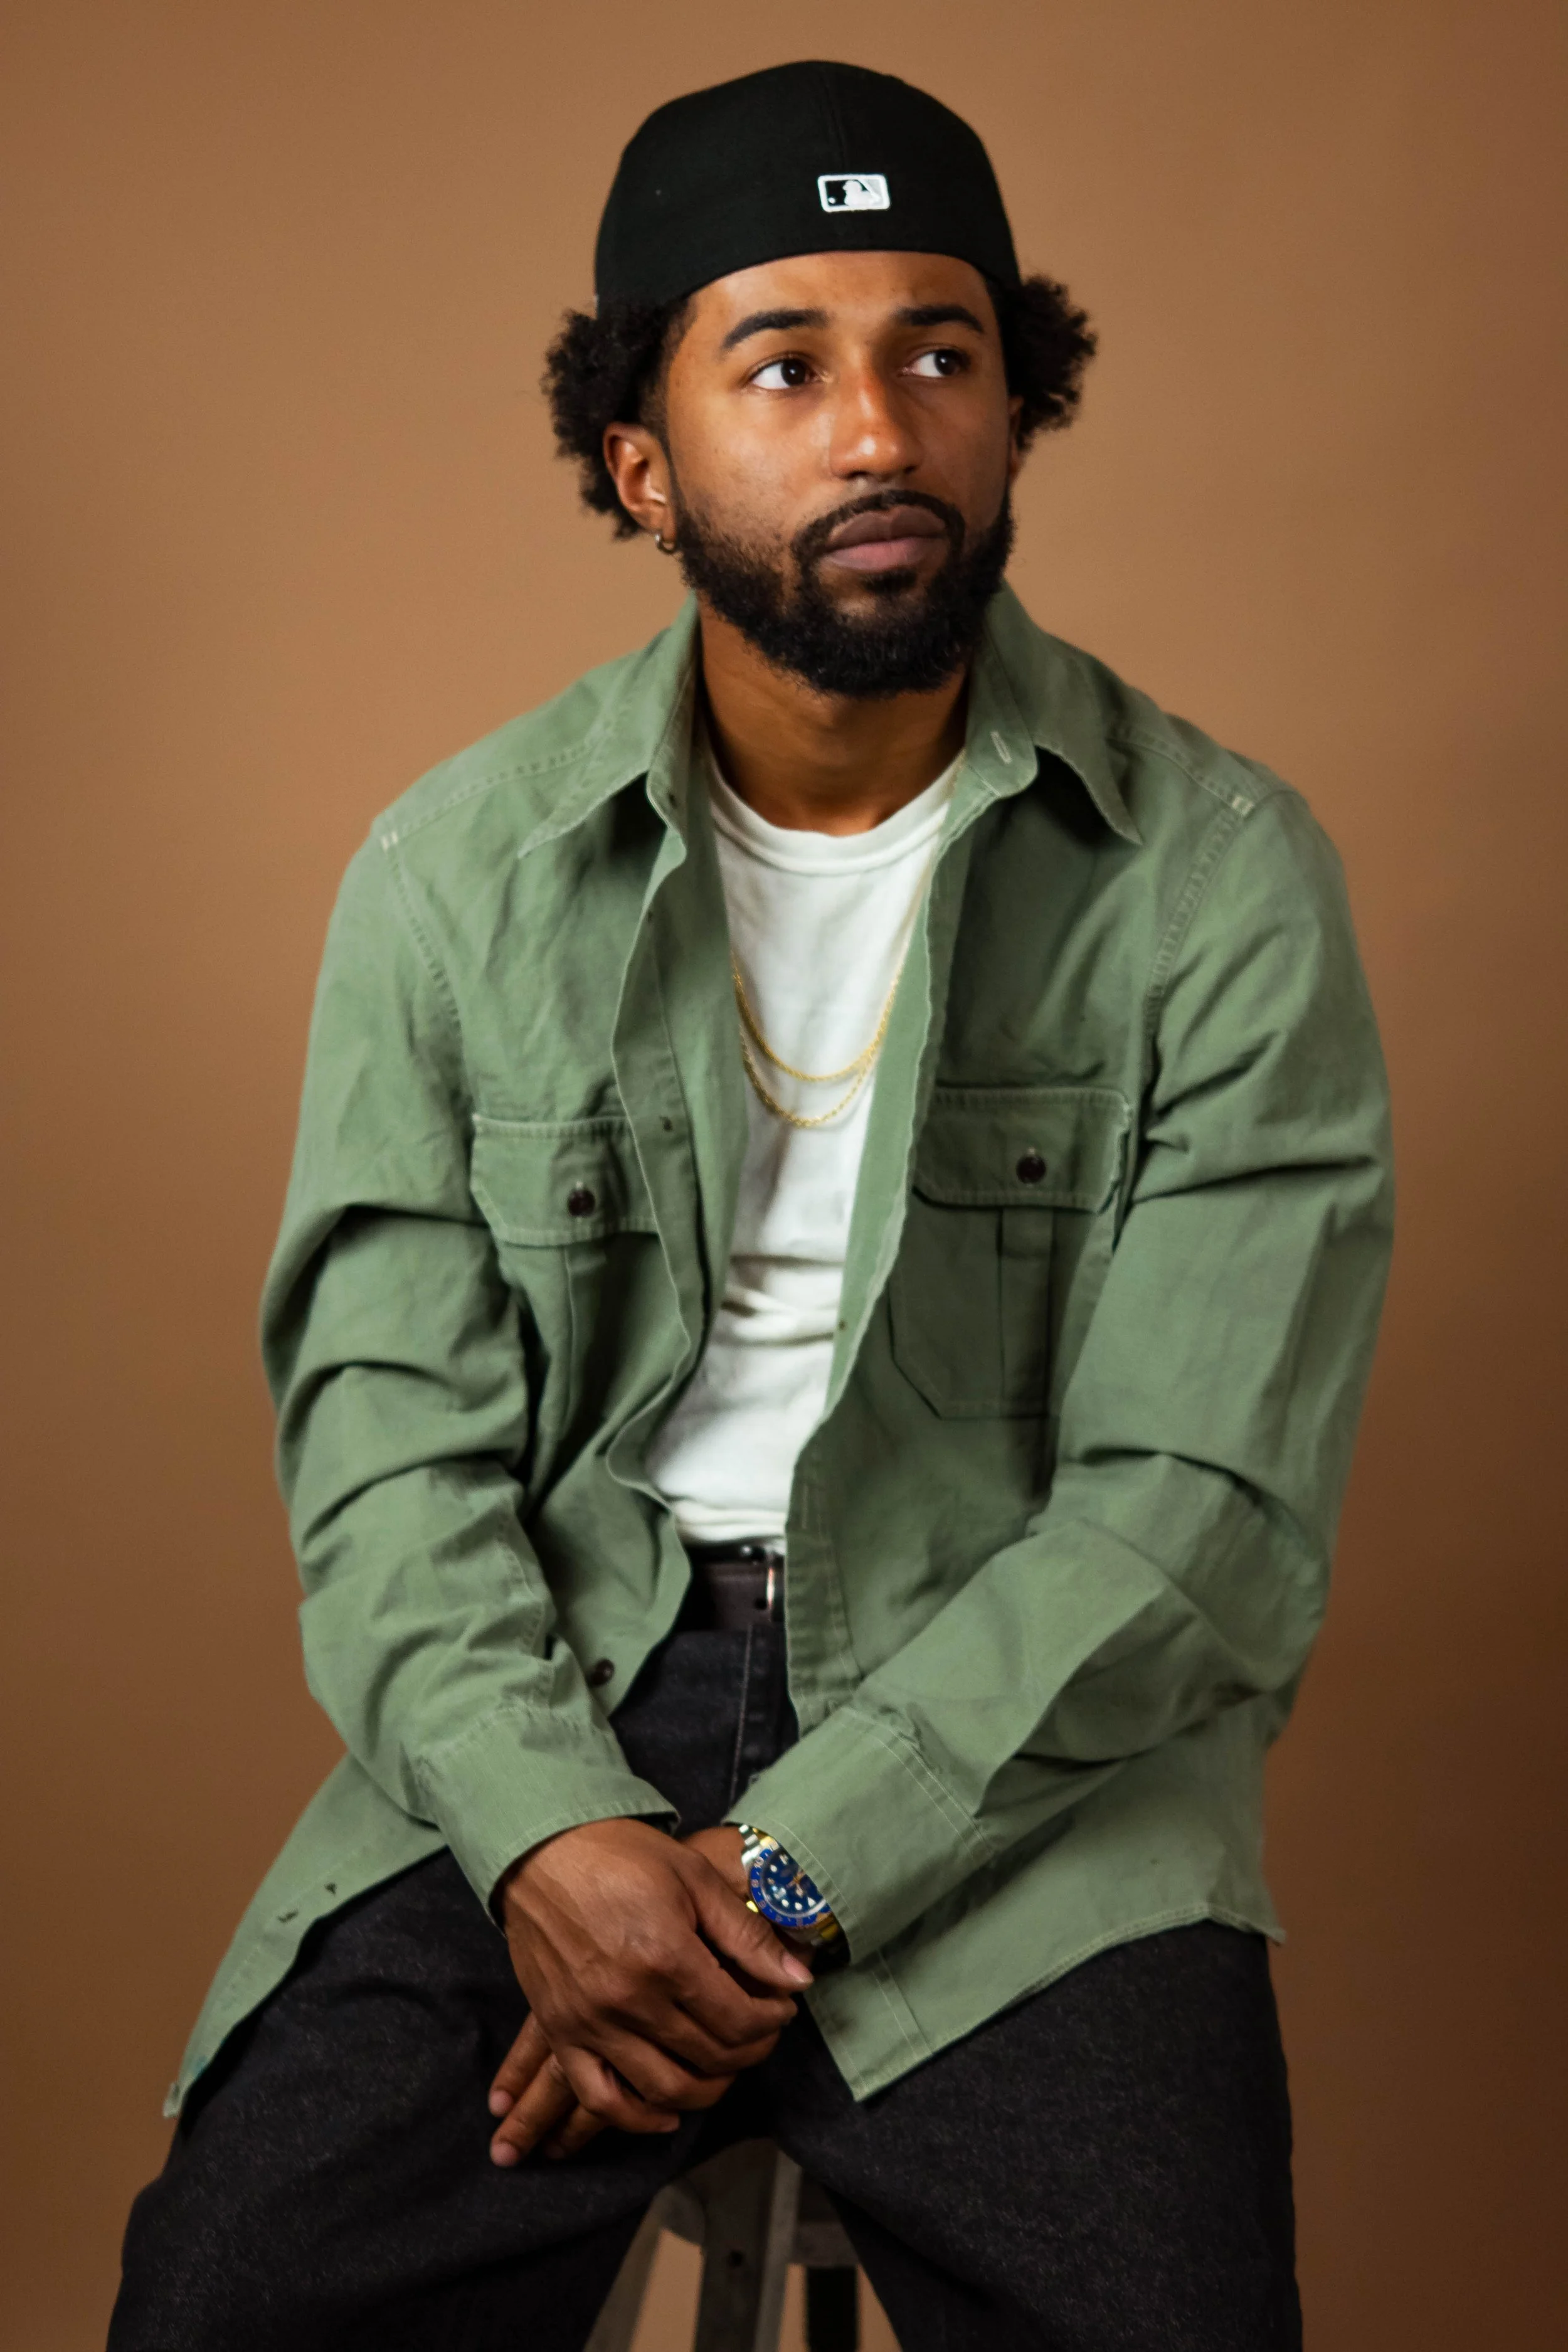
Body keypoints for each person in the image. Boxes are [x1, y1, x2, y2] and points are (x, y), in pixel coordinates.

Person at [110, 59, 1393, 2352]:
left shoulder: (1215, 879)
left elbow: (1193, 1509)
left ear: (1017, 412)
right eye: (782, 365)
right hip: (564, 1691)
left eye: (940, 355)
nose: (878, 430)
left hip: (1028, 1749)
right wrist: (547, 1842)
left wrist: (776, 1874)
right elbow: (385, 1452)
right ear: (642, 459)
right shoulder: (454, 876)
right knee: (224, 2301)